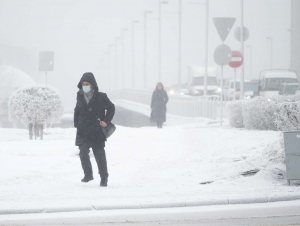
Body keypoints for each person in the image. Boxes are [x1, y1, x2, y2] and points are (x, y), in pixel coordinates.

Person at [74, 72, 115, 187]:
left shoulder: (101, 96)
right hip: (83, 130)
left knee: (99, 155)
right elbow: (77, 109)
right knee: (83, 153)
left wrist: (106, 121)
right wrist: (76, 123)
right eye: (83, 84)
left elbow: (111, 108)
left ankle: (104, 178)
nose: (85, 86)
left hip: (96, 130)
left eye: (87, 84)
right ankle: (88, 174)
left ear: (92, 85)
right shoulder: (79, 95)